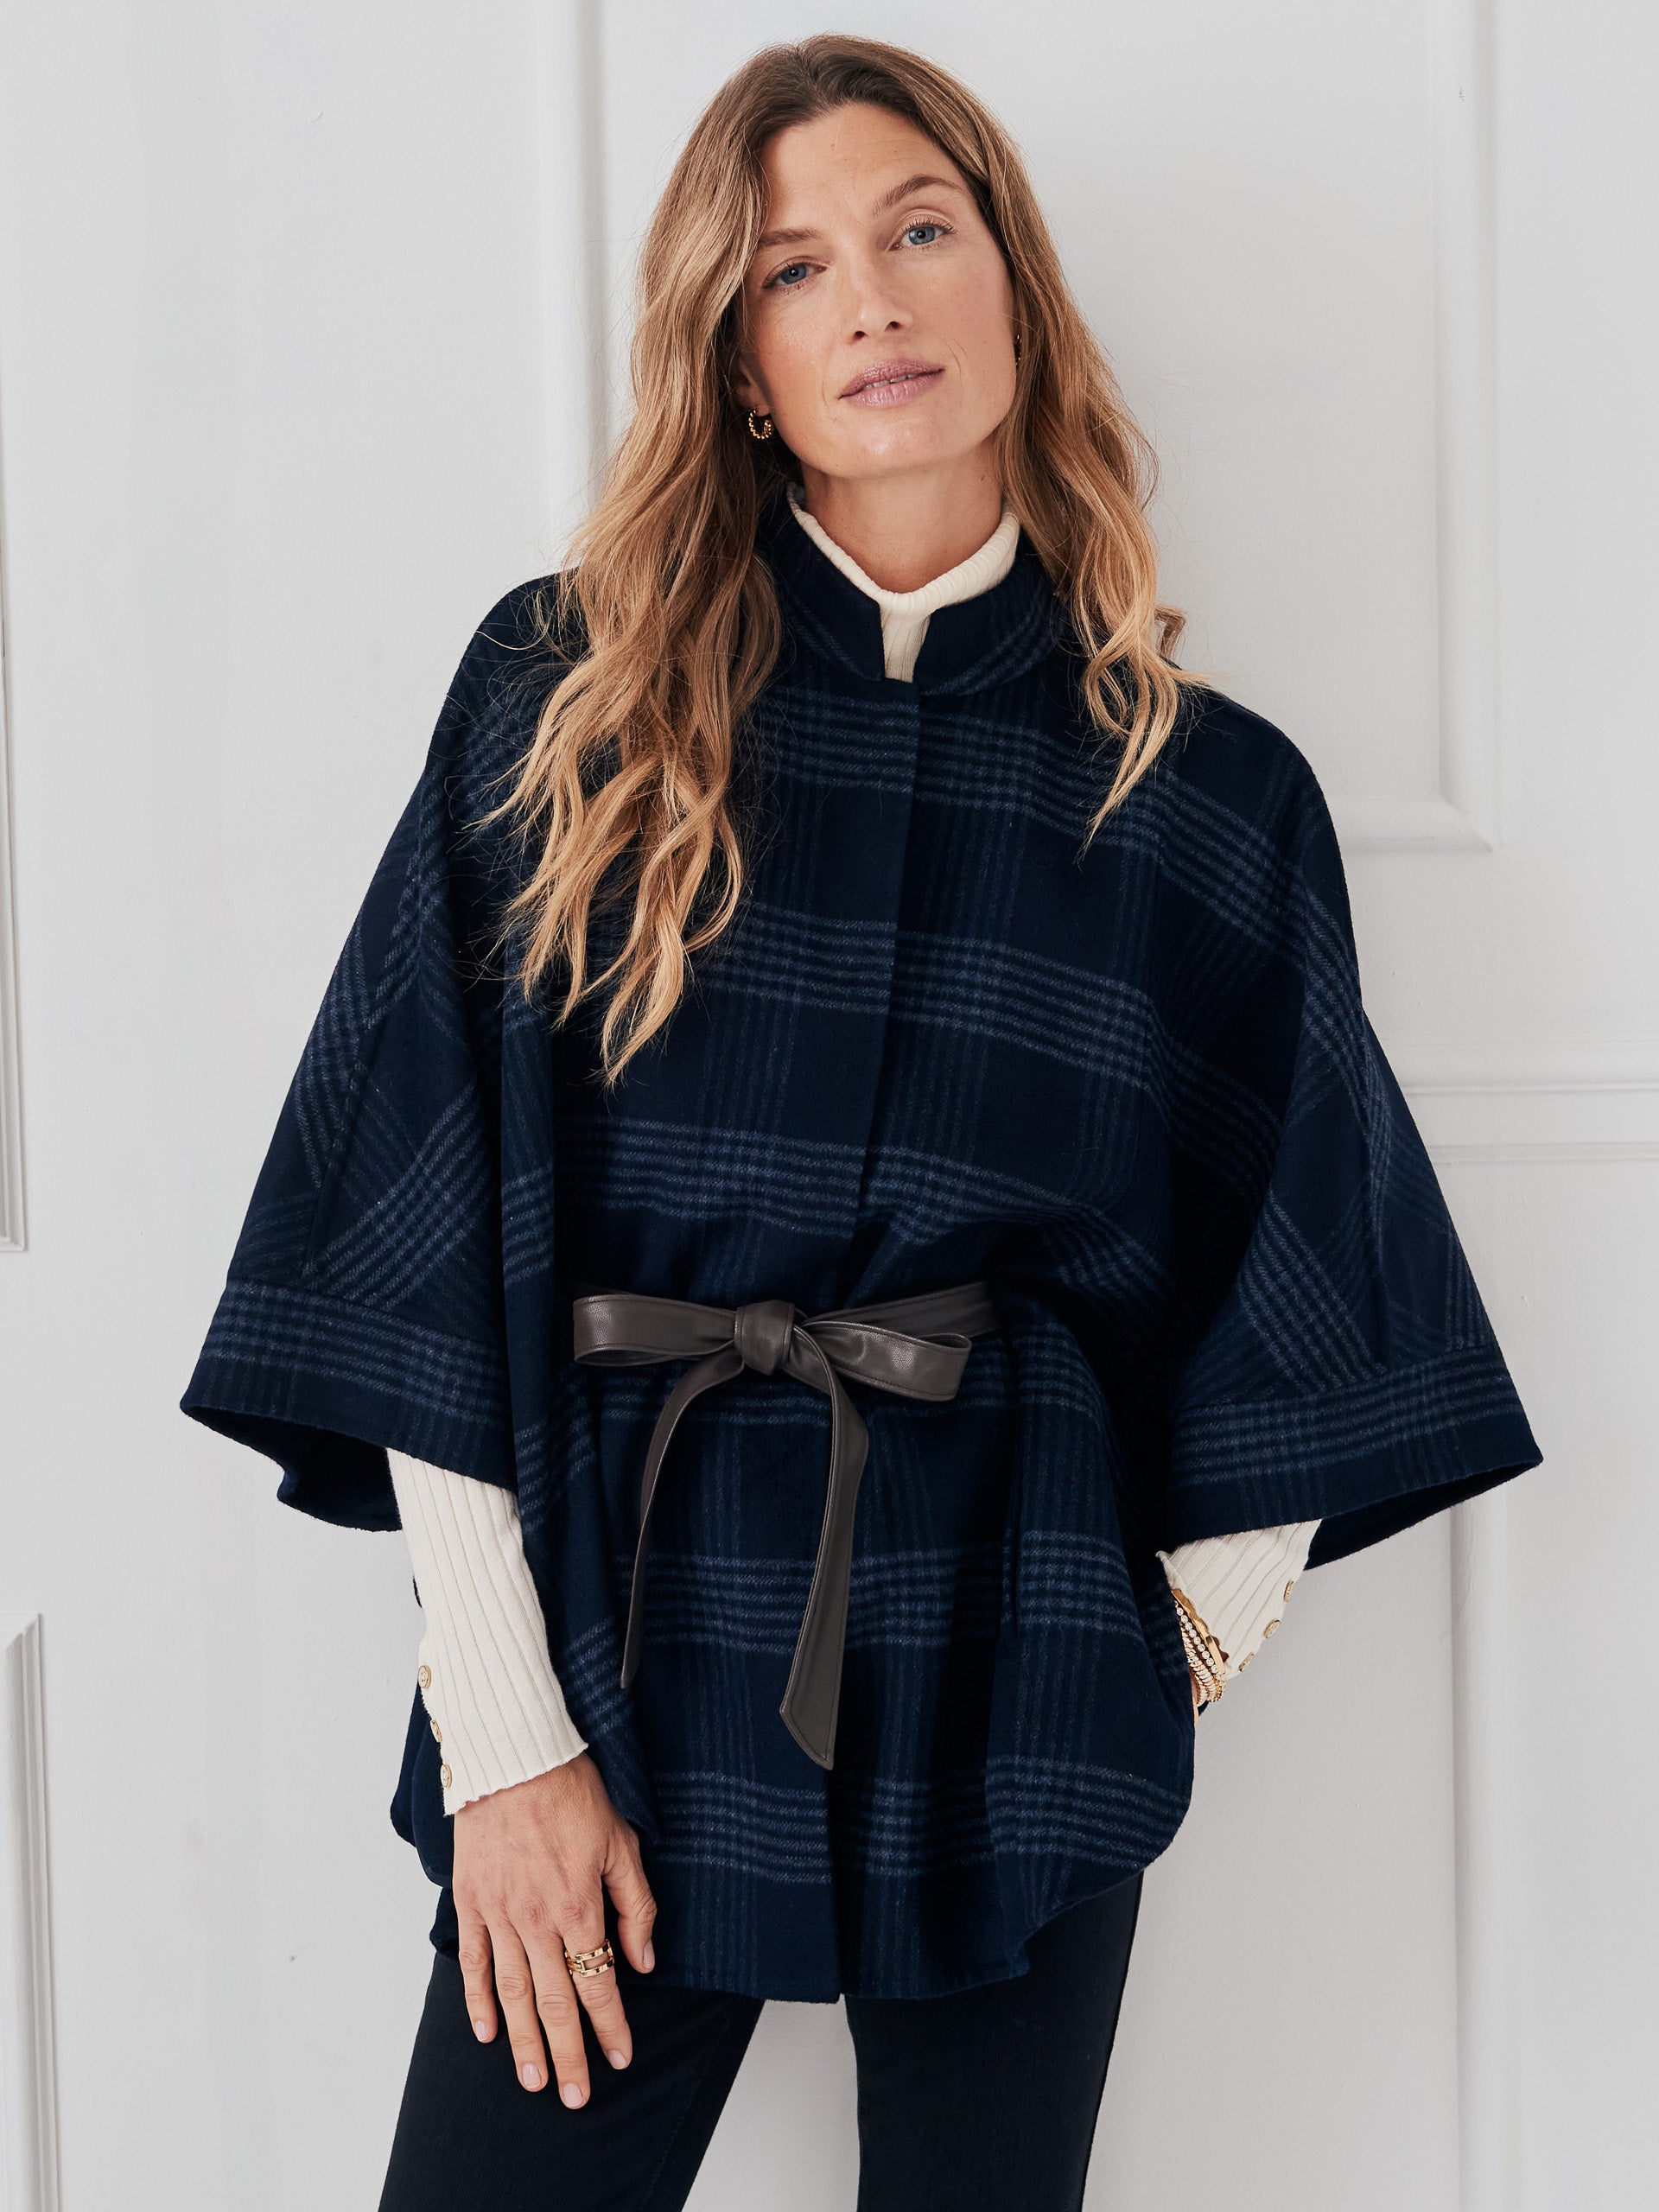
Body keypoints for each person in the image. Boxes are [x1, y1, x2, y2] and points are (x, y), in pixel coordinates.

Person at [181, 34, 1541, 2211]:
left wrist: (1168, 1644)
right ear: (738, 360)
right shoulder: (568, 702)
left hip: (1020, 1634)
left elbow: (1322, 1268)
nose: (875, 299)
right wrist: (509, 1733)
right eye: (796, 267)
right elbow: (418, 1225)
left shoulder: (1204, 797)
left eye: (920, 229)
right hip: (623, 1619)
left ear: (1014, 284)